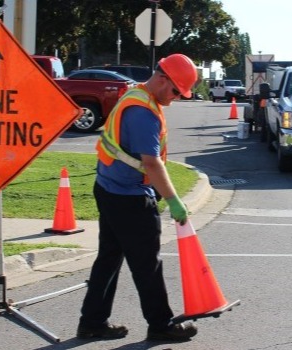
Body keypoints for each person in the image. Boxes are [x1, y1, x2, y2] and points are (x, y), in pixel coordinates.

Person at [77, 53, 199, 342]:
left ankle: (92, 322)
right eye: (175, 91)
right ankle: (161, 325)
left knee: (109, 258)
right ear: (162, 78)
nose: (177, 97)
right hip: (129, 198)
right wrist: (173, 200)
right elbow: (152, 163)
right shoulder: (144, 112)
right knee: (147, 265)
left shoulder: (136, 94)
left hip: (108, 188)